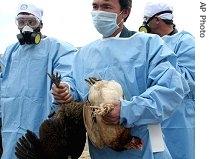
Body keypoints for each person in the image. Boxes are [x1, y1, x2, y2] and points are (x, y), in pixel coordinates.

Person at [52, 0, 190, 158]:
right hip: (102, 150)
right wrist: (66, 92)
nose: (99, 12)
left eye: (106, 7)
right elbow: (76, 91)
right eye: (95, 6)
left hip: (143, 147)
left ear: (125, 12)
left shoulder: (148, 45)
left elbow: (171, 89)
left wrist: (127, 110)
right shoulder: (84, 54)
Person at [0, 2, 76, 158]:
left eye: (31, 22)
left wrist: (65, 88)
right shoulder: (10, 51)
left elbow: (68, 74)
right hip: (10, 127)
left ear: (41, 24)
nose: (26, 27)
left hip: (44, 127)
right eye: (21, 22)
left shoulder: (58, 48)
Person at [139, 2, 195, 159]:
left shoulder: (185, 42)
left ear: (157, 20)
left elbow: (189, 80)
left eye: (145, 19)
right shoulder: (147, 44)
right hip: (153, 113)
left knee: (180, 152)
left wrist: (160, 68)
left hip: (179, 116)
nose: (143, 23)